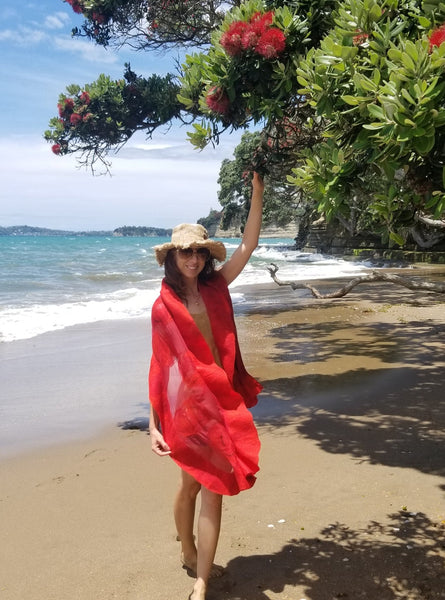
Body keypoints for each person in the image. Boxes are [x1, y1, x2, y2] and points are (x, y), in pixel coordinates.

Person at [149, 172, 264, 600]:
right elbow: (160, 366)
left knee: (215, 489)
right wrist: (153, 423)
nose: (193, 260)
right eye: (185, 253)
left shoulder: (217, 286)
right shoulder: (164, 306)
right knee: (190, 485)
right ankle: (187, 547)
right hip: (187, 407)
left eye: (198, 252)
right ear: (172, 258)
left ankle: (200, 581)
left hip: (223, 400)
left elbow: (248, 246)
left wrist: (257, 193)